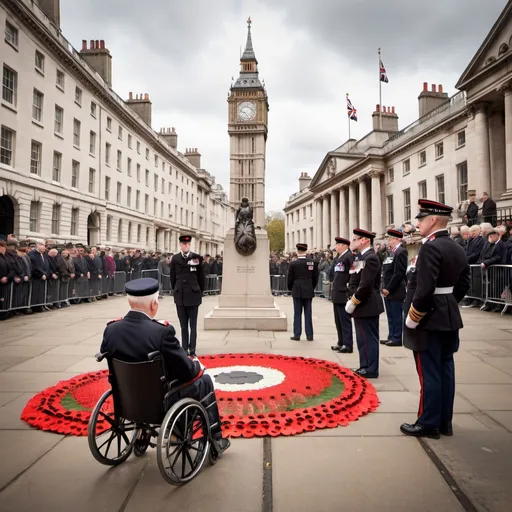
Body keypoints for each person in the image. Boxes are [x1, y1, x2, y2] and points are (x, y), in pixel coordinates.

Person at [99, 278, 230, 453]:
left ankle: (141, 433)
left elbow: (107, 354)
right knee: (204, 381)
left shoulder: (111, 329)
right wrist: (198, 366)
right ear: (154, 304)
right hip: (159, 399)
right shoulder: (161, 332)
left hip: (127, 395)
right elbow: (186, 371)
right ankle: (215, 437)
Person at [401, 199, 470, 439]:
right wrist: (447, 303)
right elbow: (463, 284)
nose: (417, 224)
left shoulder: (430, 247)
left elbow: (424, 288)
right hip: (448, 315)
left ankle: (428, 422)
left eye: (420, 219)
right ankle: (444, 421)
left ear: (432, 221)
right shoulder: (457, 247)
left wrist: (413, 317)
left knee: (429, 372)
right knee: (445, 369)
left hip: (428, 318)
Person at [345, 229, 384, 378]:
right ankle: (365, 365)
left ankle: (371, 368)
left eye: (355, 239)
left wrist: (354, 301)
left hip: (367, 303)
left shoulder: (370, 258)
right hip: (362, 303)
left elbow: (366, 284)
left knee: (368, 338)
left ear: (365, 240)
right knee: (362, 338)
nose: (352, 242)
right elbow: (354, 279)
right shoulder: (360, 257)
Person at [170, 235, 205, 356]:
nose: (186, 246)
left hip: (193, 296)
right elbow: (172, 278)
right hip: (180, 297)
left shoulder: (196, 258)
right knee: (183, 325)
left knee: (193, 325)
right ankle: (184, 348)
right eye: (184, 244)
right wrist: (176, 289)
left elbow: (201, 277)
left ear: (190, 245)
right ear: (180, 245)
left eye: (188, 244)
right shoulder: (175, 259)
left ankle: (193, 349)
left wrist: (200, 291)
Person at [381, 229, 408, 347]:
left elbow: (399, 272)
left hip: (395, 289)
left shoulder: (401, 252)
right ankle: (391, 335)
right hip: (387, 289)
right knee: (390, 315)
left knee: (397, 315)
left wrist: (389, 288)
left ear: (398, 239)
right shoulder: (391, 253)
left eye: (391, 239)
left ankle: (397, 337)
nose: (389, 241)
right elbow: (386, 271)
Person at [287, 243, 319, 341]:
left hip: (297, 289)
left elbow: (290, 278)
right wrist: (311, 287)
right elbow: (315, 278)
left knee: (297, 313)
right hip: (308, 289)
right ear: (306, 251)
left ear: (297, 251)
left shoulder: (293, 264)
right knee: (308, 313)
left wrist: (290, 288)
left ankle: (297, 334)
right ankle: (309, 335)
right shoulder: (313, 262)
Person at [330, 237, 354, 353]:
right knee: (338, 320)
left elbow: (352, 274)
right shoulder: (339, 257)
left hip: (343, 292)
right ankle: (341, 341)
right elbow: (332, 273)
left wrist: (349, 290)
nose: (336, 247)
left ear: (345, 246)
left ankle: (347, 344)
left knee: (345, 320)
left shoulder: (349, 256)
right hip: (337, 292)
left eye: (339, 245)